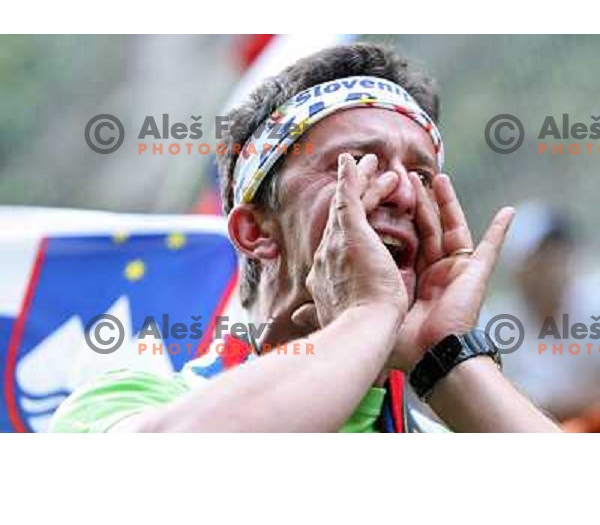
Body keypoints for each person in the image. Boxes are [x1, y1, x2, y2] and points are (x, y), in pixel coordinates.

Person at [50, 43, 560, 433]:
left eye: (424, 176)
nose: (404, 194)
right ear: (256, 231)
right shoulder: (131, 404)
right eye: (360, 162)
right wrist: (369, 315)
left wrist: (445, 353)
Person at [482, 202, 600, 425]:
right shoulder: (496, 326)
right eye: (541, 255)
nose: (553, 262)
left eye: (558, 249)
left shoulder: (593, 300)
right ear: (518, 270)